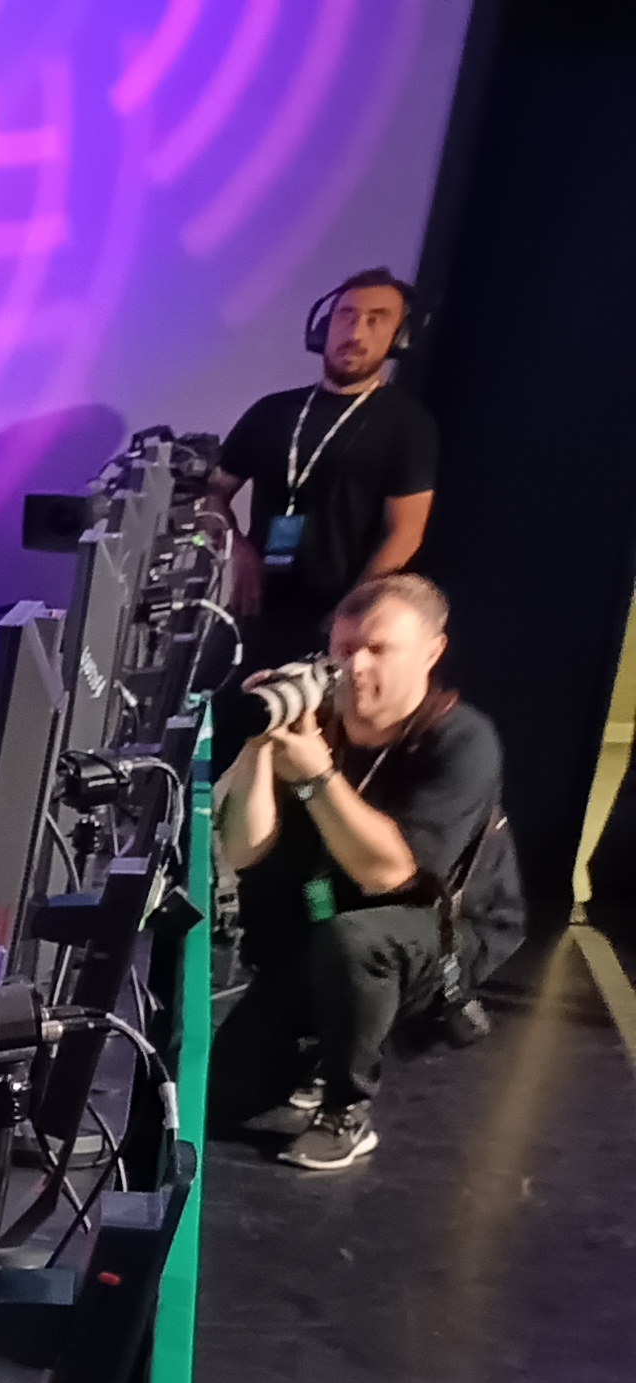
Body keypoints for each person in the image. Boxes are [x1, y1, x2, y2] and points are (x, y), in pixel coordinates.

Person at [217, 575, 523, 1172]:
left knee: (357, 939)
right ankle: (315, 1048)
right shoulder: (319, 722)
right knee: (230, 1089)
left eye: (379, 649)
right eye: (344, 648)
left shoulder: (462, 739)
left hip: (438, 932)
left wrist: (315, 776)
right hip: (328, 910)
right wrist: (261, 745)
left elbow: (392, 876)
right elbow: (243, 850)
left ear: (431, 651)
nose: (355, 667)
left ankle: (347, 1109)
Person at [211, 269, 437, 678]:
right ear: (324, 327)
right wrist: (239, 549)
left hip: (337, 626)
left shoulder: (408, 425)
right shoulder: (272, 411)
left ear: (399, 337)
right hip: (255, 612)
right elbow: (213, 495)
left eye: (376, 319)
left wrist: (351, 611)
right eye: (346, 315)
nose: (356, 331)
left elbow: (406, 533)